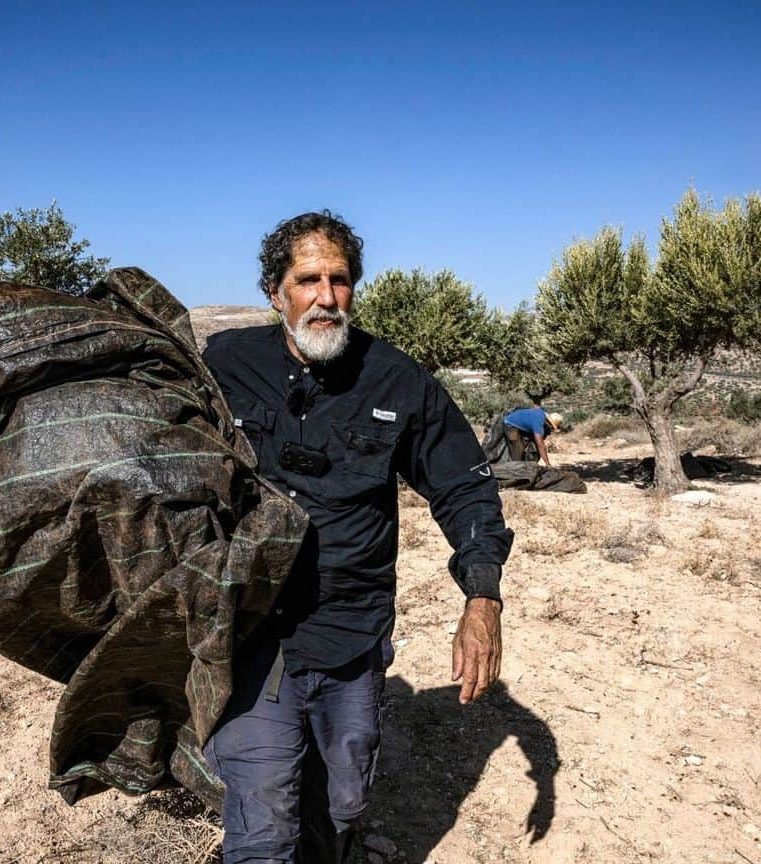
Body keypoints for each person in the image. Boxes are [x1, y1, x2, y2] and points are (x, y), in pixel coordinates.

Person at [201, 211, 514, 863]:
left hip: (353, 638)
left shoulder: (398, 380)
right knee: (262, 827)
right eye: (307, 279)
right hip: (254, 639)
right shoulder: (224, 365)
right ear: (275, 292)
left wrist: (482, 599)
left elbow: (464, 486)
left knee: (342, 808)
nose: (324, 297)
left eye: (339, 280)